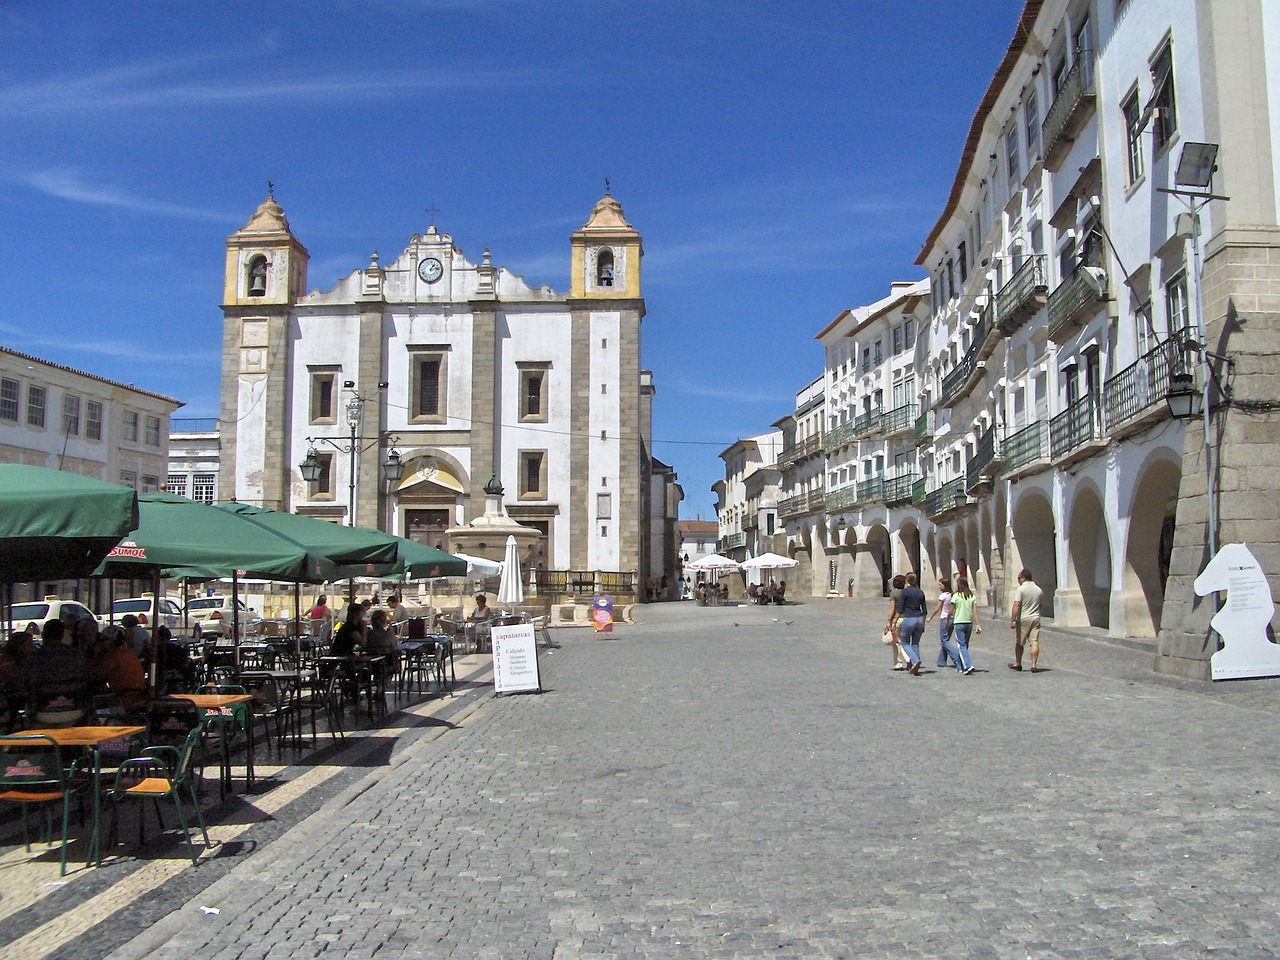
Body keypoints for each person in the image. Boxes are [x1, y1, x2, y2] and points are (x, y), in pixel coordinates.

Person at [90, 627, 146, 710]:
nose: (100, 643)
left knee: (91, 703)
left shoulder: (113, 655)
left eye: (103, 640)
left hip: (124, 697)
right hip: (137, 694)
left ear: (111, 640)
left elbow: (95, 674)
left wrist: (96, 655)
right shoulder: (128, 652)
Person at [1009, 568, 1045, 672]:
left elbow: (1017, 604)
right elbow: (1040, 605)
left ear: (1024, 578)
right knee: (1034, 642)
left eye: (1019, 578)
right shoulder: (1038, 589)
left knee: (1020, 643)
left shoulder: (1021, 589)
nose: (1018, 580)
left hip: (1024, 618)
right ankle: (1033, 665)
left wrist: (1013, 619)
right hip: (1035, 618)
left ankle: (1018, 663)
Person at [897, 572, 928, 675]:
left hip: (909, 618)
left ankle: (915, 660)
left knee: (904, 642)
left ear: (907, 580)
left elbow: (900, 609)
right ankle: (915, 666)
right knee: (915, 643)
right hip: (919, 618)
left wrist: (894, 621)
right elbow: (924, 610)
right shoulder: (920, 592)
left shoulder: (905, 592)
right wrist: (923, 623)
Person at [951, 576, 980, 675]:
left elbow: (951, 610)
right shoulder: (972, 596)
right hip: (968, 622)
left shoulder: (956, 596)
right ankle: (960, 666)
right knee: (964, 645)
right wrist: (977, 624)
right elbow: (975, 611)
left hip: (959, 622)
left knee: (961, 645)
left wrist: (947, 620)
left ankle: (968, 665)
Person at [926, 577, 957, 669]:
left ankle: (956, 657)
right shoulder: (953, 595)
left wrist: (930, 617)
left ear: (945, 585)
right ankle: (941, 661)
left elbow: (937, 608)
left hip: (945, 618)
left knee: (944, 641)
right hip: (952, 618)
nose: (939, 586)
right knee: (945, 639)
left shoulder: (943, 596)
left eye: (940, 585)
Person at [886, 574, 910, 671]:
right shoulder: (906, 592)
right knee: (905, 640)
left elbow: (892, 608)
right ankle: (902, 661)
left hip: (897, 619)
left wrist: (889, 621)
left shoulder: (894, 594)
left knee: (897, 642)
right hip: (908, 618)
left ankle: (902, 662)